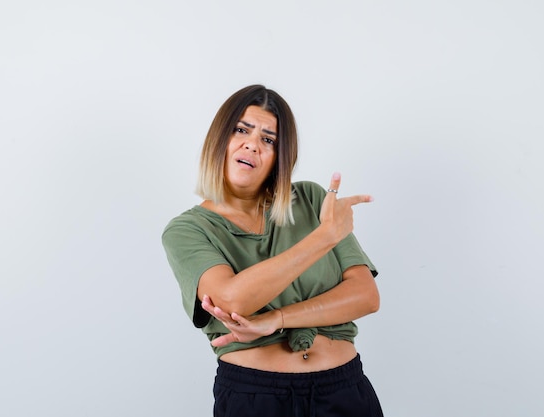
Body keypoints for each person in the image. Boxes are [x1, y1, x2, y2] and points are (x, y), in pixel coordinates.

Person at [162, 84, 383, 417]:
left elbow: (366, 296)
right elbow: (234, 301)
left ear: (280, 158)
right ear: (219, 140)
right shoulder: (188, 230)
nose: (253, 143)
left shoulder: (310, 200)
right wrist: (324, 237)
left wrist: (275, 320)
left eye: (268, 139)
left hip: (345, 391)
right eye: (241, 130)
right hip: (256, 398)